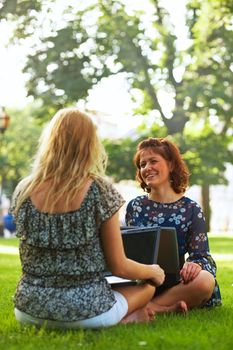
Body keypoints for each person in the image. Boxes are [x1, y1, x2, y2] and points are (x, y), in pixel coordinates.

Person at [10, 108, 165, 330]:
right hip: (87, 313)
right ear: (90, 144)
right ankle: (128, 318)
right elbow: (119, 267)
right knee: (148, 286)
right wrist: (153, 271)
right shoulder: (99, 191)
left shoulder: (23, 190)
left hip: (29, 311)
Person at [125, 137, 222, 313]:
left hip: (177, 283)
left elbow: (203, 257)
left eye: (153, 161)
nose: (147, 168)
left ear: (170, 165)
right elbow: (131, 252)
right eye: (142, 164)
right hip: (144, 280)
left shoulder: (191, 209)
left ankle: (147, 308)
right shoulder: (135, 206)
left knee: (205, 280)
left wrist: (195, 265)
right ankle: (166, 309)